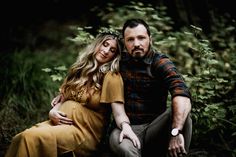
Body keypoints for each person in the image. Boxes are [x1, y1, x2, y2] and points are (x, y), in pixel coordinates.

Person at [4, 32, 133, 157]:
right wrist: (53, 112)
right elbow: (62, 98)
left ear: (115, 56)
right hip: (59, 125)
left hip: (83, 134)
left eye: (112, 50)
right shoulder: (79, 69)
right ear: (97, 44)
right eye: (105, 45)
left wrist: (125, 127)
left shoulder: (111, 77)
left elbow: (118, 112)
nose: (106, 51)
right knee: (20, 138)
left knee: (30, 138)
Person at [109, 18, 192, 157]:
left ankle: (178, 151)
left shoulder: (160, 62)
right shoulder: (118, 62)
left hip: (155, 128)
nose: (136, 44)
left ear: (150, 39)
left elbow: (181, 93)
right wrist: (63, 96)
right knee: (126, 149)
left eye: (141, 38)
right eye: (130, 39)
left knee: (183, 114)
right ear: (124, 42)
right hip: (125, 127)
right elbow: (90, 72)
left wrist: (175, 131)